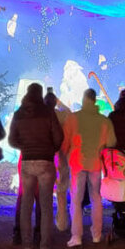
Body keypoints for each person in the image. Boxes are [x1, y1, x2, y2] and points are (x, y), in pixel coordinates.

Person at [8, 82, 64, 249]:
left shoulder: (19, 113)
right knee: (46, 205)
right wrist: (50, 148)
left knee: (26, 204)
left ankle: (26, 248)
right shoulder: (48, 112)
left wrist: (25, 147)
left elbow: (12, 140)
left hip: (27, 162)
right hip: (46, 162)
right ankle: (45, 248)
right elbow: (59, 136)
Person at [62, 88, 116, 246]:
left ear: (84, 98)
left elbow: (65, 141)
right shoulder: (104, 121)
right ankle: (96, 234)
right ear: (95, 100)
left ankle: (76, 236)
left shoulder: (73, 118)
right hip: (96, 163)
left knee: (76, 200)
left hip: (77, 163)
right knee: (96, 198)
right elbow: (112, 142)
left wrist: (66, 156)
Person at [45, 89, 73, 232]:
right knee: (61, 194)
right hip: (62, 159)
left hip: (46, 160)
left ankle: (45, 228)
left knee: (45, 196)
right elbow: (69, 112)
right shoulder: (63, 115)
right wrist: (58, 101)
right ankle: (62, 224)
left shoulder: (42, 117)